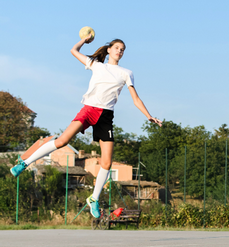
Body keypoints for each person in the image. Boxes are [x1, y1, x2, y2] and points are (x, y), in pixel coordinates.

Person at [10, 35, 162, 219]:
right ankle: (23, 163)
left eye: (122, 50)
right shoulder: (97, 65)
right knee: (62, 140)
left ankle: (94, 199)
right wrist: (84, 41)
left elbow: (135, 98)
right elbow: (74, 51)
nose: (120, 51)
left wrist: (148, 116)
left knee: (106, 162)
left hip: (106, 116)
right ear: (109, 50)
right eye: (117, 48)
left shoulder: (126, 72)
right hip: (89, 110)